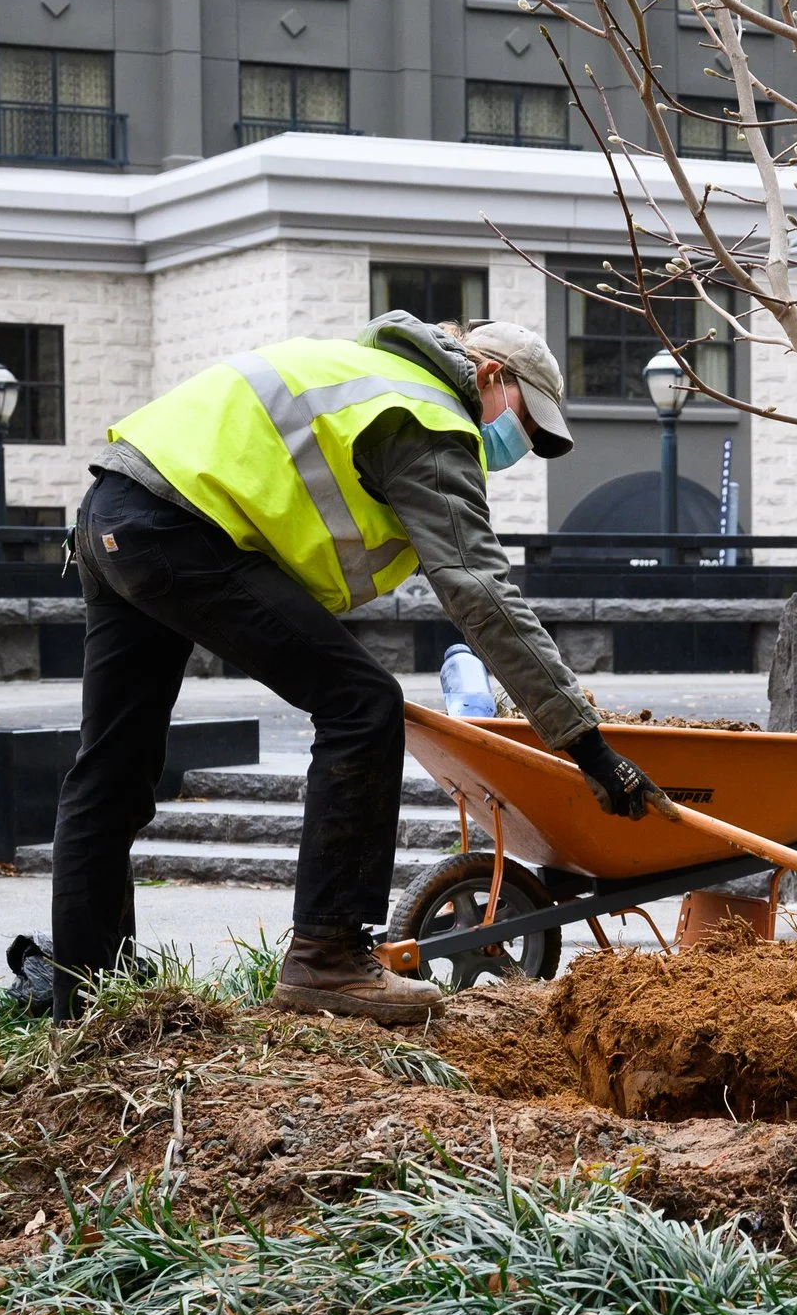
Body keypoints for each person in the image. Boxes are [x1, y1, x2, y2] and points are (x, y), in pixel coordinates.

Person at [49, 312, 664, 1024]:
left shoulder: (367, 371)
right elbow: (481, 590)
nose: (515, 447)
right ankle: (327, 956)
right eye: (521, 424)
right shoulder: (428, 414)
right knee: (363, 704)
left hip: (114, 511)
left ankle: (86, 1006)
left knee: (109, 773)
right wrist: (585, 742)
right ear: (491, 377)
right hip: (176, 526)